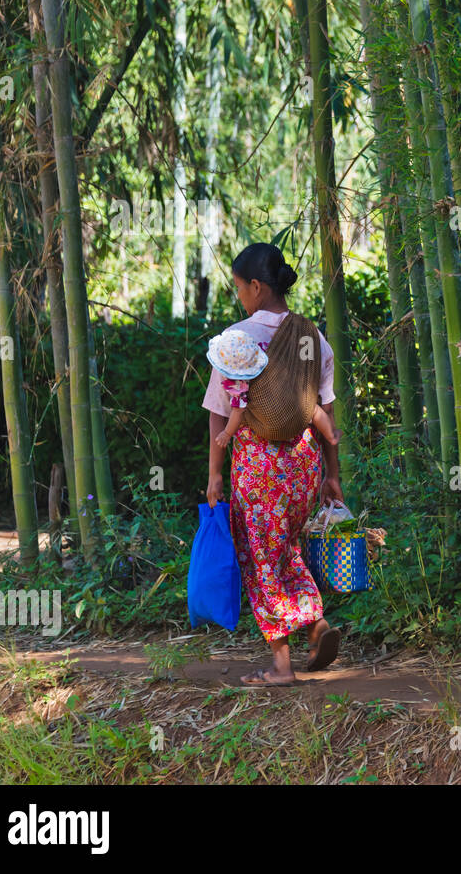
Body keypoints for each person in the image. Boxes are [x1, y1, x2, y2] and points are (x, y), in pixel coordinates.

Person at [202, 243, 343, 686]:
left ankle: (282, 665)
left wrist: (214, 473)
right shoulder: (312, 337)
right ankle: (315, 623)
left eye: (241, 288)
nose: (240, 296)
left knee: (259, 559)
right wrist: (333, 474)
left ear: (258, 288)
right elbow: (327, 412)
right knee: (287, 552)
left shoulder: (236, 342)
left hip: (259, 471)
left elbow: (219, 413)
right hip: (303, 467)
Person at [206, 329, 339, 449]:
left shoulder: (239, 386)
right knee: (314, 410)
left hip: (274, 412)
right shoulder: (264, 351)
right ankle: (331, 435)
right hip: (293, 395)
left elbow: (237, 412)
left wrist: (227, 432)